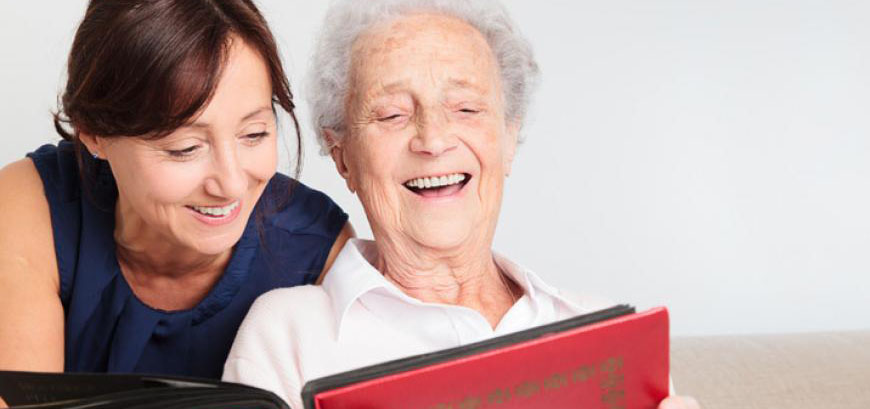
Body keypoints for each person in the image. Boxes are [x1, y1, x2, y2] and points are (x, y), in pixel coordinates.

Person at [222, 1, 699, 408]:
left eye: (466, 109)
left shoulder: (606, 333)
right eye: (392, 114)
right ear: (343, 157)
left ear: (508, 140)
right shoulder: (288, 333)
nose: (433, 139)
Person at [0, 0, 352, 380]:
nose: (231, 183)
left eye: (254, 134)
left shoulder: (318, 255)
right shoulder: (33, 208)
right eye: (185, 149)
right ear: (93, 134)